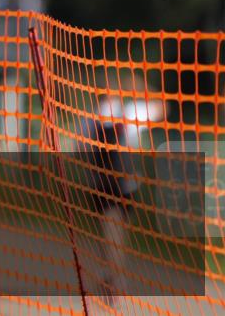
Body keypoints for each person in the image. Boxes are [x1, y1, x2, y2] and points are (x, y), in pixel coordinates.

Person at [74, 88, 163, 305]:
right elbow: (161, 109)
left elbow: (79, 149)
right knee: (117, 236)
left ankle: (112, 278)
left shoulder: (90, 118)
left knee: (110, 234)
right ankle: (115, 280)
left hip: (101, 186)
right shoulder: (130, 112)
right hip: (126, 186)